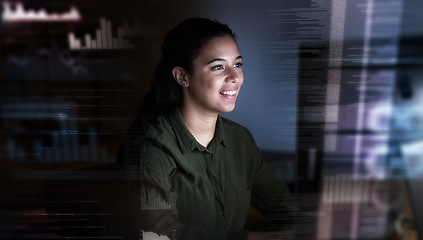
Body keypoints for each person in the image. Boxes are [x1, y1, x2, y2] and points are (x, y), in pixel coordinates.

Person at [119, 17, 293, 240]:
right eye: (218, 67)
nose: (235, 77)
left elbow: (283, 206)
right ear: (182, 76)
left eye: (237, 64)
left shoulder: (240, 139)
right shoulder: (154, 145)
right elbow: (159, 235)